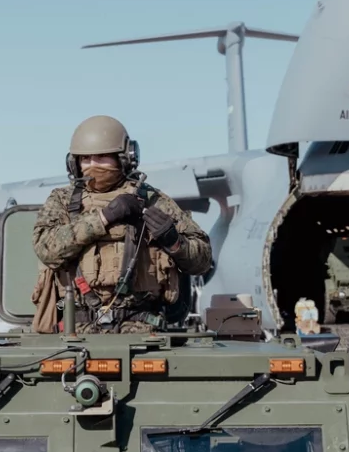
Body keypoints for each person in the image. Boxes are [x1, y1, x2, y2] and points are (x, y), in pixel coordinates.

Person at [30, 115, 213, 334]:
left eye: (103, 157)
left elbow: (203, 261)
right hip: (77, 329)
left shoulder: (152, 200)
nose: (93, 165)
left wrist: (174, 242)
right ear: (74, 163)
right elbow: (45, 248)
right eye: (85, 158)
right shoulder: (62, 200)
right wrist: (104, 218)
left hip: (143, 327)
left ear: (125, 158)